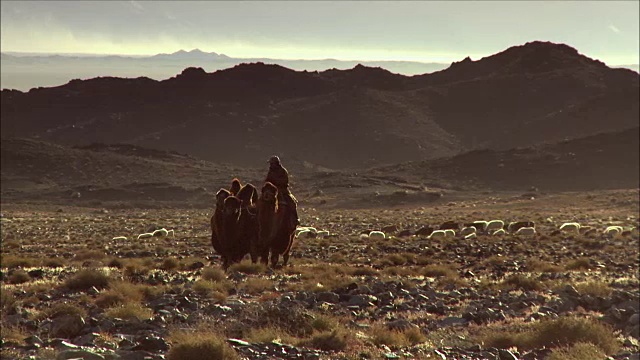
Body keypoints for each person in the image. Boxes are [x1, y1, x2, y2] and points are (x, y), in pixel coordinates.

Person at [265, 155, 299, 229]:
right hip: (271, 190)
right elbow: (267, 180)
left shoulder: (283, 171)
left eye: (272, 163)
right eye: (270, 163)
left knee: (292, 202)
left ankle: (295, 219)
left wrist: (276, 183)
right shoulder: (270, 171)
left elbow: (285, 181)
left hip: (282, 190)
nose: (271, 165)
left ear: (276, 163)